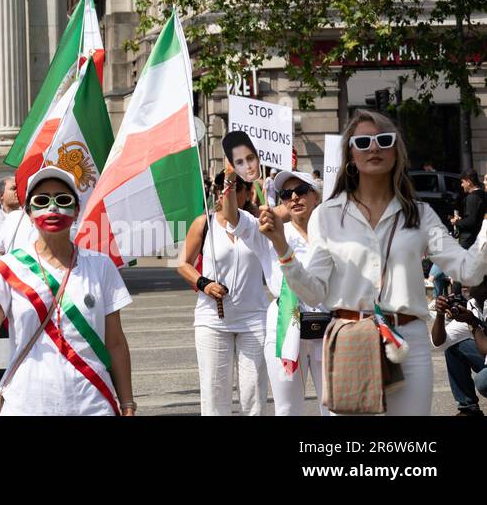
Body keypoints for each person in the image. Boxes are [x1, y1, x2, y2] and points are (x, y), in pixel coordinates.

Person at [260, 110, 487, 415]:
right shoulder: (328, 216)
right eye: (364, 141)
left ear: (396, 152)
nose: (374, 148)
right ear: (351, 154)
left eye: (384, 140)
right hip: (352, 337)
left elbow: (468, 271)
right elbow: (313, 292)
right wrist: (281, 246)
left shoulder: (419, 215)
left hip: (409, 343)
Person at [0, 165, 135, 415]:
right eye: (42, 201)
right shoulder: (9, 268)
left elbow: (115, 342)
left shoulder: (100, 265)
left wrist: (127, 403)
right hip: (27, 403)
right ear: (28, 213)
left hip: (92, 403)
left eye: (63, 200)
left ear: (76, 211)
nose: (52, 208)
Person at [177, 173, 271, 416]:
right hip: (213, 320)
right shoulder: (204, 223)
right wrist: (204, 283)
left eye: (234, 186)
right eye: (222, 186)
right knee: (214, 393)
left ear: (247, 191)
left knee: (254, 395)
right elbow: (182, 264)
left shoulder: (258, 223)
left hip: (254, 319)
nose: (225, 192)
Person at [262, 170, 328, 416]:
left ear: (315, 197)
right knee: (287, 409)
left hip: (327, 324)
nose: (294, 198)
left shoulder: (332, 235)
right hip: (285, 323)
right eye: (286, 195)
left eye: (301, 191)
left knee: (333, 407)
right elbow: (235, 220)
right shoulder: (272, 233)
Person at [431, 278, 487, 415]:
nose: (463, 281)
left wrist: (472, 323)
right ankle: (469, 409)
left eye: (471, 276)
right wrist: (440, 314)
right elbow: (439, 342)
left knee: (483, 380)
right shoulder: (473, 305)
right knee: (454, 347)